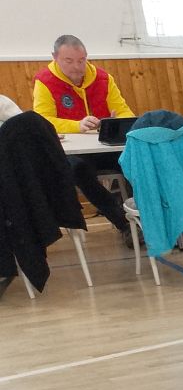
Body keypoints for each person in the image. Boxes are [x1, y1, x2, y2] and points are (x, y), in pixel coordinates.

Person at [31, 33, 134, 247]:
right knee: (78, 170)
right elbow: (42, 120)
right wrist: (76, 125)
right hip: (73, 153)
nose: (77, 67)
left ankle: (143, 217)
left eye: (82, 60)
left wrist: (114, 123)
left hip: (103, 147)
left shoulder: (103, 78)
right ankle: (123, 222)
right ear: (55, 58)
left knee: (134, 159)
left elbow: (124, 110)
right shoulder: (45, 81)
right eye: (69, 61)